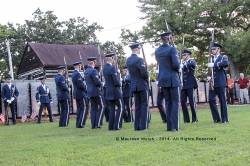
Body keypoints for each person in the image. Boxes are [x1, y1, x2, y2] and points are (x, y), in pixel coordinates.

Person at [155, 32, 180, 132]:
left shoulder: (157, 51)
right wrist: (179, 66)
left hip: (162, 78)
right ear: (169, 38)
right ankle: (174, 126)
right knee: (174, 102)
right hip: (172, 78)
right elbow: (175, 65)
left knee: (168, 102)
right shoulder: (172, 49)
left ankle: (169, 126)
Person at [126, 43, 149, 131]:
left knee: (137, 106)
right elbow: (143, 73)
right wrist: (147, 76)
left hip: (134, 85)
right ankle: (143, 126)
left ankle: (137, 126)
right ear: (136, 49)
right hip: (142, 85)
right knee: (144, 105)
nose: (139, 50)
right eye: (139, 49)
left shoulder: (128, 60)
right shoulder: (139, 59)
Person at [207, 43, 229, 124]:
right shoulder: (211, 59)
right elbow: (210, 71)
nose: (212, 51)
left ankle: (224, 119)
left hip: (221, 82)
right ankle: (216, 118)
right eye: (212, 49)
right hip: (212, 83)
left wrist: (215, 64)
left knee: (222, 101)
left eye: (214, 49)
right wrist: (208, 76)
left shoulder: (223, 57)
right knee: (211, 100)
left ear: (218, 49)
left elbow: (225, 64)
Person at [103, 53, 123, 130]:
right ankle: (117, 125)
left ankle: (111, 126)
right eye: (113, 58)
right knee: (120, 107)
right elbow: (116, 81)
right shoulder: (112, 68)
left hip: (108, 91)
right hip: (115, 91)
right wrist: (118, 75)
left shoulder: (104, 68)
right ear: (111, 59)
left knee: (111, 109)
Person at [84, 57, 103, 129]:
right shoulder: (93, 71)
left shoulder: (86, 71)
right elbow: (97, 82)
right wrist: (101, 84)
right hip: (96, 91)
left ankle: (93, 124)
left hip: (89, 92)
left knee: (93, 108)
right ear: (93, 63)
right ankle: (98, 123)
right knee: (102, 106)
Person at [180, 49, 198, 123]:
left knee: (191, 102)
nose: (183, 56)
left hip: (190, 84)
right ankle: (186, 119)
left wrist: (184, 65)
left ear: (188, 55)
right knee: (182, 102)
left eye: (184, 55)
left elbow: (192, 65)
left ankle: (194, 118)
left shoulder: (191, 61)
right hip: (183, 85)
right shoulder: (182, 62)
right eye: (183, 55)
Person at [72, 61, 87, 128]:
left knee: (79, 109)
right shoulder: (77, 74)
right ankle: (80, 123)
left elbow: (80, 81)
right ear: (78, 66)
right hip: (80, 93)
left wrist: (83, 78)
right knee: (83, 108)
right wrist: (85, 88)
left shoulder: (74, 73)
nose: (81, 67)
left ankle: (78, 123)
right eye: (80, 66)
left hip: (76, 93)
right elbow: (80, 84)